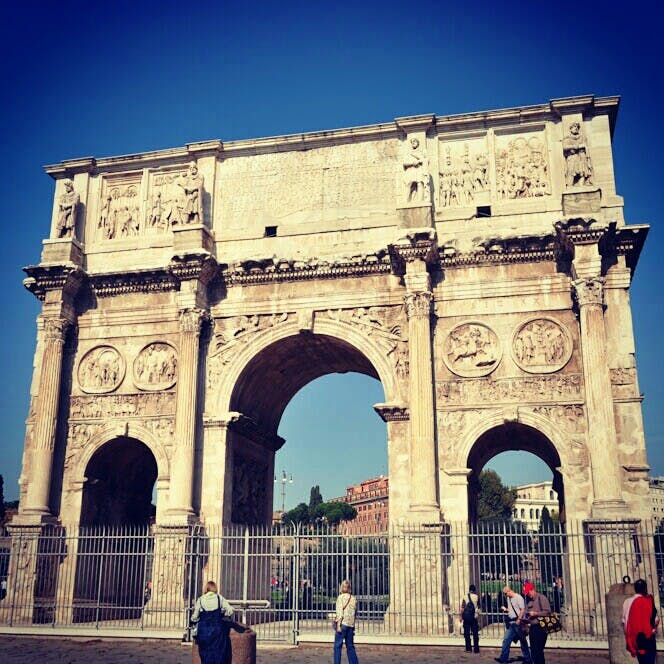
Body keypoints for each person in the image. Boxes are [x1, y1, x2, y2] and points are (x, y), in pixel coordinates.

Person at [191, 581, 234, 664]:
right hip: (217, 629)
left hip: (204, 630)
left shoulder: (200, 599)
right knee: (219, 652)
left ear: (206, 588)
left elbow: (195, 616)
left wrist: (193, 620)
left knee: (205, 653)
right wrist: (224, 615)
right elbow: (231, 610)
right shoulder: (219, 598)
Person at [623, 578, 660, 663]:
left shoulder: (627, 602)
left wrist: (629, 639)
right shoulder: (647, 600)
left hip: (634, 638)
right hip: (647, 638)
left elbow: (625, 623)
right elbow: (655, 620)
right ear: (645, 588)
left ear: (635, 588)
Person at [495, 585, 531, 664]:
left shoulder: (518, 597)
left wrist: (518, 620)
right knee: (506, 640)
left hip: (518, 622)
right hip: (511, 623)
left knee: (523, 641)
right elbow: (512, 609)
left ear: (509, 591)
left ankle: (528, 659)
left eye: (505, 593)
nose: (505, 595)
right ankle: (503, 659)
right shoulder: (509, 599)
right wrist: (506, 609)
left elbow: (522, 609)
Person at [524, 582, 552, 664]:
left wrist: (535, 613)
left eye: (528, 592)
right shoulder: (529, 601)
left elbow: (547, 612)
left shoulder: (541, 598)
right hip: (532, 628)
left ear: (532, 590)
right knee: (533, 650)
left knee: (538, 651)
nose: (528, 595)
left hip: (541, 628)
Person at [334, 579, 359, 664]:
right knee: (350, 647)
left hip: (342, 624)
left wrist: (338, 626)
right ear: (350, 588)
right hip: (350, 625)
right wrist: (353, 625)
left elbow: (340, 612)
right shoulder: (353, 598)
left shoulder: (340, 598)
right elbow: (354, 613)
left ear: (342, 587)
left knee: (337, 646)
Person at [460, 583, 480, 653]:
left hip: (467, 617)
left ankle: (468, 648)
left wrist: (461, 616)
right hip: (474, 617)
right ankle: (476, 649)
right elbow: (478, 607)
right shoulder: (476, 597)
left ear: (469, 590)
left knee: (467, 633)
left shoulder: (465, 596)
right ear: (474, 590)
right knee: (475, 633)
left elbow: (462, 607)